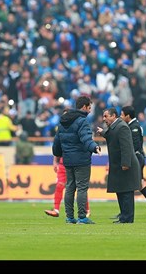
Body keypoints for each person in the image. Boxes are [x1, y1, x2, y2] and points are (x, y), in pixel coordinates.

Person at [52, 96, 101, 224]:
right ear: (84, 107)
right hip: (81, 160)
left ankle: (69, 217)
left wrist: (57, 155)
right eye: (89, 108)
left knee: (69, 187)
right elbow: (86, 138)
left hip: (67, 160)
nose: (90, 111)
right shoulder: (82, 121)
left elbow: (57, 141)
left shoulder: (63, 121)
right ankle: (82, 217)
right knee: (82, 188)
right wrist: (94, 148)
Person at [97, 107, 141, 223]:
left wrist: (126, 163)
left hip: (125, 165)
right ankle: (124, 217)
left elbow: (126, 147)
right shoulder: (116, 127)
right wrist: (103, 133)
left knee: (126, 191)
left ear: (113, 116)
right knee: (120, 191)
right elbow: (112, 136)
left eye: (106, 116)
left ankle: (127, 218)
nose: (104, 119)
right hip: (118, 165)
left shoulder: (122, 127)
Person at [120, 106, 146, 218]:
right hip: (138, 158)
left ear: (128, 116)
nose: (121, 116)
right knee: (139, 184)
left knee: (130, 184)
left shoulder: (134, 127)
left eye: (122, 114)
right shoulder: (132, 125)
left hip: (136, 159)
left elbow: (135, 145)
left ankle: (126, 211)